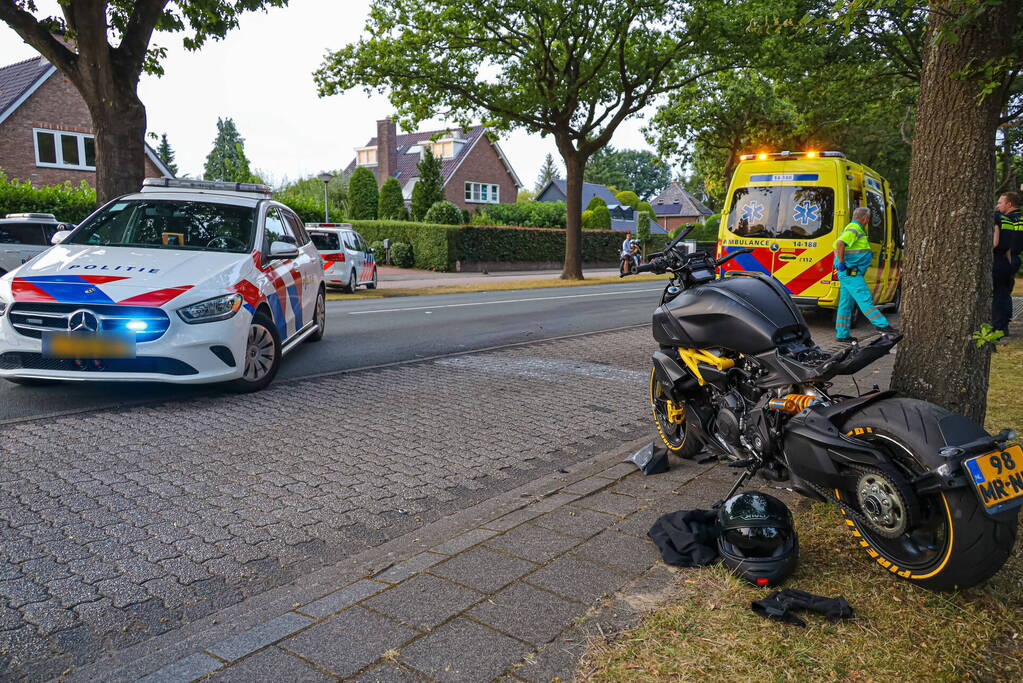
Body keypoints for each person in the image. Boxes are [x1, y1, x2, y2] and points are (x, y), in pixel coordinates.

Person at [833, 206, 899, 343]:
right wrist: (841, 262)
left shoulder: (851, 228)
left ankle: (842, 334)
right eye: (868, 219)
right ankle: (883, 326)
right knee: (865, 299)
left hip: (847, 273)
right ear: (866, 219)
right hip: (851, 274)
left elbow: (841, 246)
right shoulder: (854, 228)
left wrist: (842, 263)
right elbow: (840, 244)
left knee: (846, 303)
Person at [993, 191, 1023, 336]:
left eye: (1000, 202)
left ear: (1009, 204)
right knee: (1006, 292)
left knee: (999, 293)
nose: (997, 205)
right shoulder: (1021, 219)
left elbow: (1003, 242)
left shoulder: (1006, 220)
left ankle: (999, 326)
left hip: (1007, 257)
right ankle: (1004, 324)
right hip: (1014, 258)